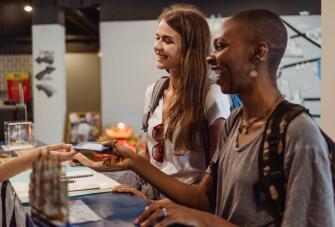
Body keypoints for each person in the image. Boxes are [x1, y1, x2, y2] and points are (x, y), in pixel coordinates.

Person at [76, 9, 335, 227]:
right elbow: (204, 198)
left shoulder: (297, 131)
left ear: (258, 53)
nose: (211, 58)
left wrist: (200, 219)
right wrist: (142, 178)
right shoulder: (235, 121)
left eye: (221, 47)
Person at [73, 4, 230, 199]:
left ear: (190, 48)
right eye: (157, 38)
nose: (157, 46)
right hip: (150, 198)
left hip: (188, 206)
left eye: (167, 40)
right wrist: (92, 163)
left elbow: (218, 175)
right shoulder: (154, 92)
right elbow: (150, 161)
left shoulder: (211, 95)